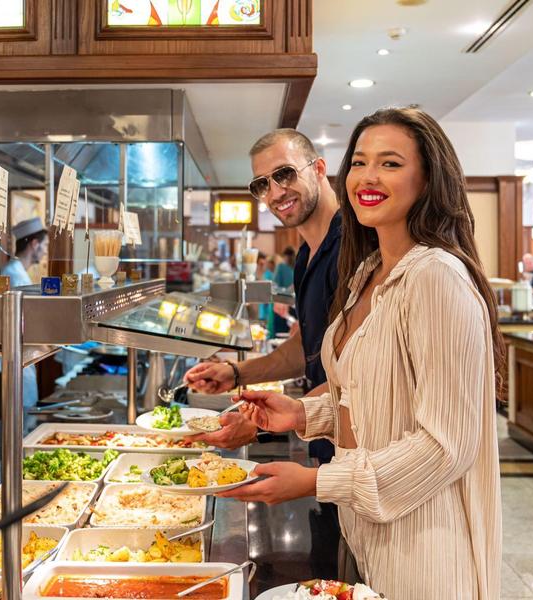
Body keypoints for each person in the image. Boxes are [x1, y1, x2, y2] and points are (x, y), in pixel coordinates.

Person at [220, 107, 504, 599]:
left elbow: (445, 445)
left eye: (390, 163)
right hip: (367, 529)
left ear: (427, 177)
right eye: (360, 162)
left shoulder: (436, 277)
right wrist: (303, 413)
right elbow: (372, 392)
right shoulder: (366, 273)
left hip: (426, 543)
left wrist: (316, 481)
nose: (369, 177)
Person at [184, 129, 341, 464]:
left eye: (284, 174)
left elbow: (362, 377)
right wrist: (235, 373)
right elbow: (307, 346)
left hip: (364, 458)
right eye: (262, 184)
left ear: (318, 168)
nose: (275, 192)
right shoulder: (305, 256)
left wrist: (269, 421)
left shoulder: (351, 248)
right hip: (326, 450)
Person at [0, 217, 49, 420]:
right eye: (45, 245)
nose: (46, 251)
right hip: (11, 361)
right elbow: (22, 322)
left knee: (19, 421)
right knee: (14, 424)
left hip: (17, 360)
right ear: (34, 244)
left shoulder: (16, 272)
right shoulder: (14, 275)